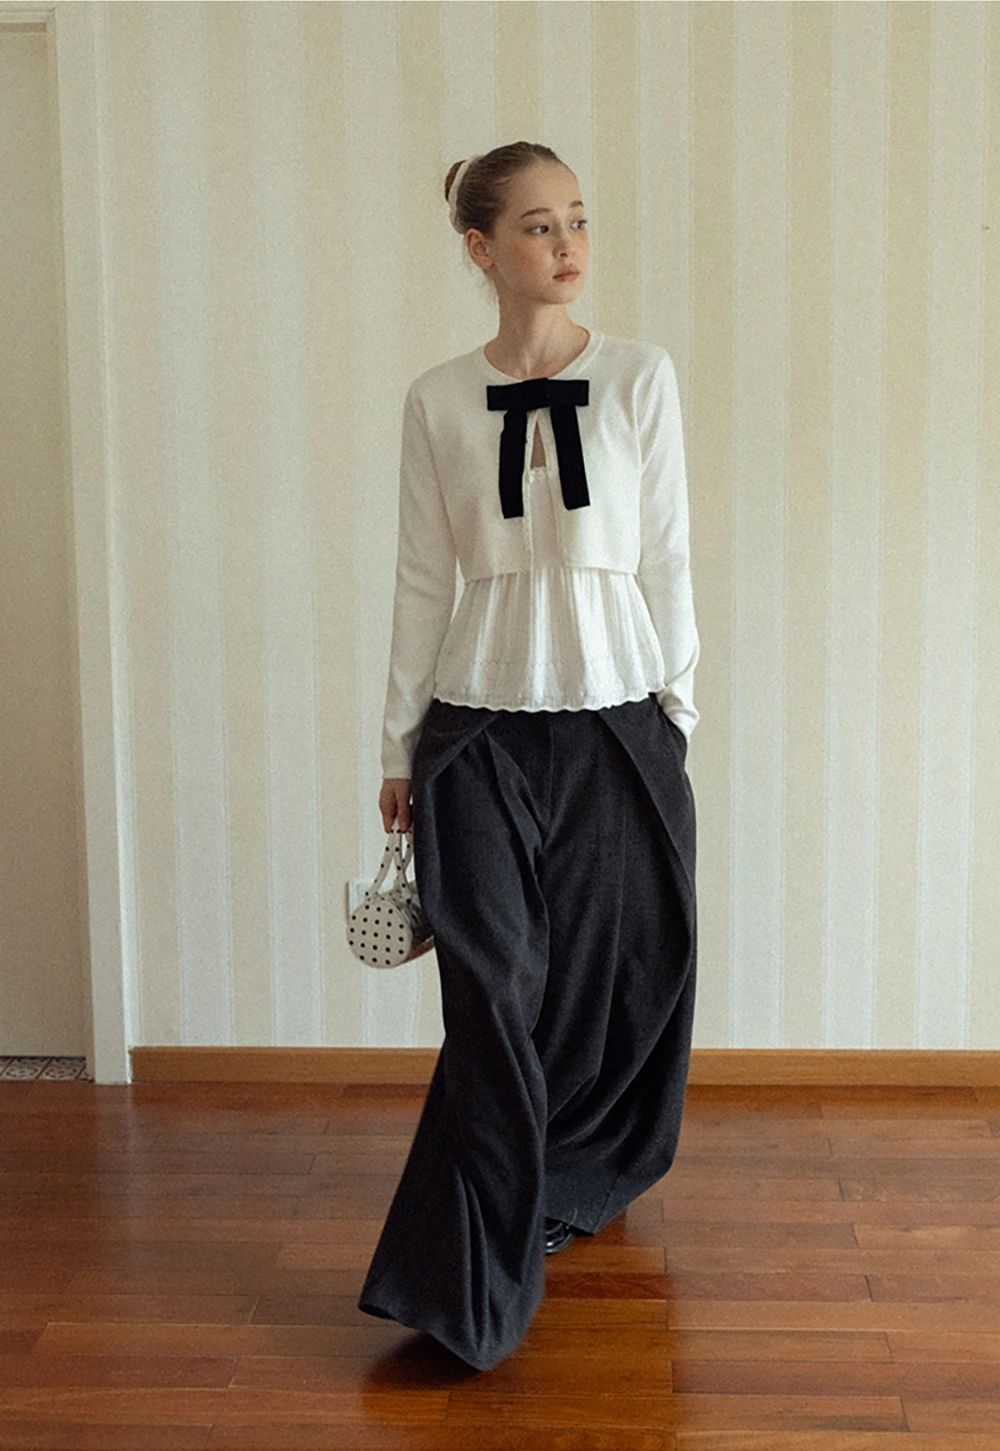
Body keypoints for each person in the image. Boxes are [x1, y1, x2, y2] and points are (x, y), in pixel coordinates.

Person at [358, 141, 698, 1372]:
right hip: (478, 720)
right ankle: (462, 1284)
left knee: (616, 976)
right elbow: (416, 577)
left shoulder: (639, 378)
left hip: (616, 714)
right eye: (539, 226)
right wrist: (399, 740)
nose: (566, 246)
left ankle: (574, 1172)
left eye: (578, 222)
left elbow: (666, 553)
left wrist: (678, 706)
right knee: (491, 993)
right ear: (480, 249)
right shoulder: (437, 397)